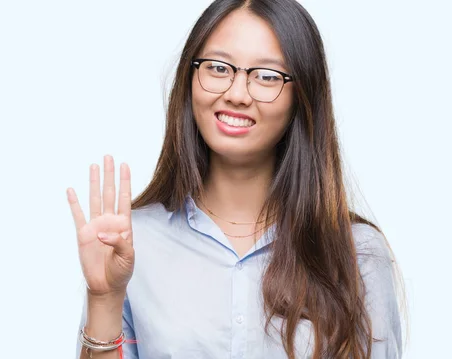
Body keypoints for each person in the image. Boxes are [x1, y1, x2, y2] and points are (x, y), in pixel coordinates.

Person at [67, 0, 404, 358]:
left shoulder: (358, 254)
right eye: (217, 67)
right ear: (189, 77)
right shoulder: (134, 243)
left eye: (267, 76)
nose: (237, 94)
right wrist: (104, 298)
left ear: (302, 95)